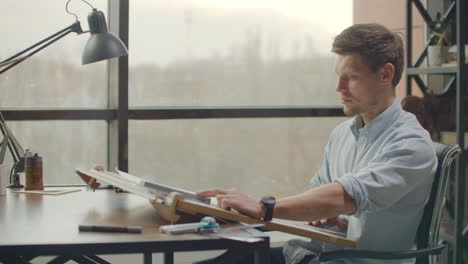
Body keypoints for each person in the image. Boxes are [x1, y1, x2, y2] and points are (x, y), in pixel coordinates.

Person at [197, 23, 437, 264]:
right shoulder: (342, 134)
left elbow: (345, 196)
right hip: (311, 254)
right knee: (230, 258)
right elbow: (323, 196)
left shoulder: (412, 145)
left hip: (349, 261)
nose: (339, 88)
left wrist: (264, 208)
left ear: (386, 74)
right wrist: (327, 216)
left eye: (351, 77)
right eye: (338, 76)